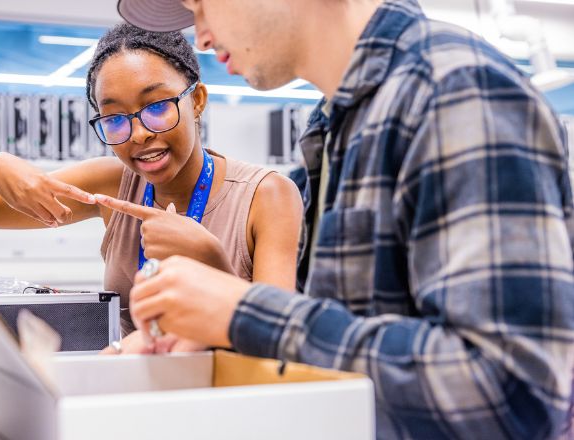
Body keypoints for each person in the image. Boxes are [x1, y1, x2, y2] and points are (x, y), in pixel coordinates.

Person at [114, 0, 574, 437]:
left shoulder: (455, 92)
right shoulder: (337, 126)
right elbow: (356, 348)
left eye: (203, 4)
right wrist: (216, 337)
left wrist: (244, 314)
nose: (204, 34)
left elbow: (511, 394)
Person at [0, 23, 303, 351]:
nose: (138, 134)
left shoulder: (266, 194)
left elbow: (279, 342)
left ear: (198, 101)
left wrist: (211, 262)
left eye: (157, 107)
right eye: (115, 118)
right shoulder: (115, 183)